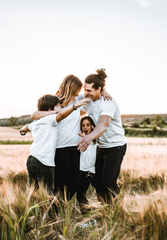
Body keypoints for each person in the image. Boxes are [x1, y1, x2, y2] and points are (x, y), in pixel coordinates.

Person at [30, 74, 111, 200]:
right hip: (59, 148)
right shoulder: (54, 102)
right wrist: (54, 112)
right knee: (60, 184)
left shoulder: (78, 99)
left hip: (75, 147)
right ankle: (56, 211)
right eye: (77, 90)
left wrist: (104, 90)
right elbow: (34, 115)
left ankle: (62, 206)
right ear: (71, 89)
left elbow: (93, 92)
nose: (79, 93)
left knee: (75, 183)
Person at [20, 94, 90, 193]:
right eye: (57, 106)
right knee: (48, 194)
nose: (59, 108)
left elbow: (27, 127)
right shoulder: (50, 119)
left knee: (32, 192)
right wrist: (74, 106)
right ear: (50, 109)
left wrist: (21, 129)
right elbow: (61, 115)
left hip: (32, 159)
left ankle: (30, 208)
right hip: (44, 162)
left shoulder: (36, 122)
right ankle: (50, 209)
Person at [77, 68, 127, 203]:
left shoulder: (108, 103)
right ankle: (105, 208)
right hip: (102, 146)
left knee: (108, 183)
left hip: (116, 147)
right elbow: (75, 111)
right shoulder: (89, 100)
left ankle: (114, 210)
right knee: (96, 181)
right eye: (84, 89)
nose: (85, 93)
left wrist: (88, 137)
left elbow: (103, 124)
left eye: (89, 90)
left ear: (99, 89)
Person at [76, 116, 97, 214]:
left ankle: (87, 214)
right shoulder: (81, 138)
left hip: (89, 171)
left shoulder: (94, 140)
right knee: (80, 193)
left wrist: (93, 134)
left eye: (88, 125)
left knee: (80, 194)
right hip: (81, 170)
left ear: (92, 126)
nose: (85, 127)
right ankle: (89, 212)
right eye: (83, 125)